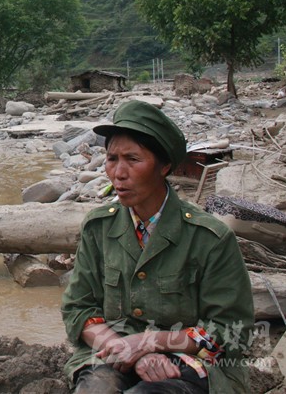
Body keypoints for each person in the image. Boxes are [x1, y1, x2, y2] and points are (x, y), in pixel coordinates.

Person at [61, 100, 253, 393]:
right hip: (115, 350)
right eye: (112, 158)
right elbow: (79, 308)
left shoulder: (210, 238)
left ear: (164, 166)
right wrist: (128, 350)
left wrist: (150, 342)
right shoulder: (98, 228)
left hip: (194, 361)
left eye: (133, 159)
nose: (118, 172)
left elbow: (228, 331)